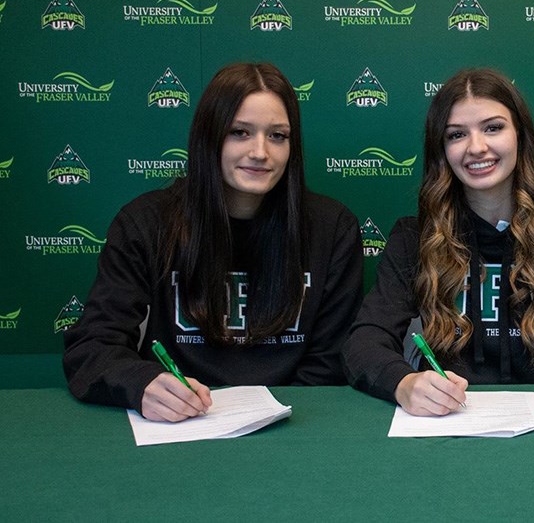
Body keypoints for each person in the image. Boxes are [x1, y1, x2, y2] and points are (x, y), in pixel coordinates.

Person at [63, 63, 363, 421]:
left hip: (291, 426)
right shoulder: (145, 223)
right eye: (239, 132)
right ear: (209, 136)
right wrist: (142, 383)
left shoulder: (332, 228)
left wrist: (278, 418)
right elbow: (92, 345)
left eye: (278, 136)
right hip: (180, 424)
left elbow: (329, 363)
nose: (260, 152)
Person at [342, 68, 534, 416]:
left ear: (520, 136)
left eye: (493, 128)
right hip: (446, 424)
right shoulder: (415, 238)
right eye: (456, 135)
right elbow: (363, 343)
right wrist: (403, 382)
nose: (476, 147)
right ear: (441, 149)